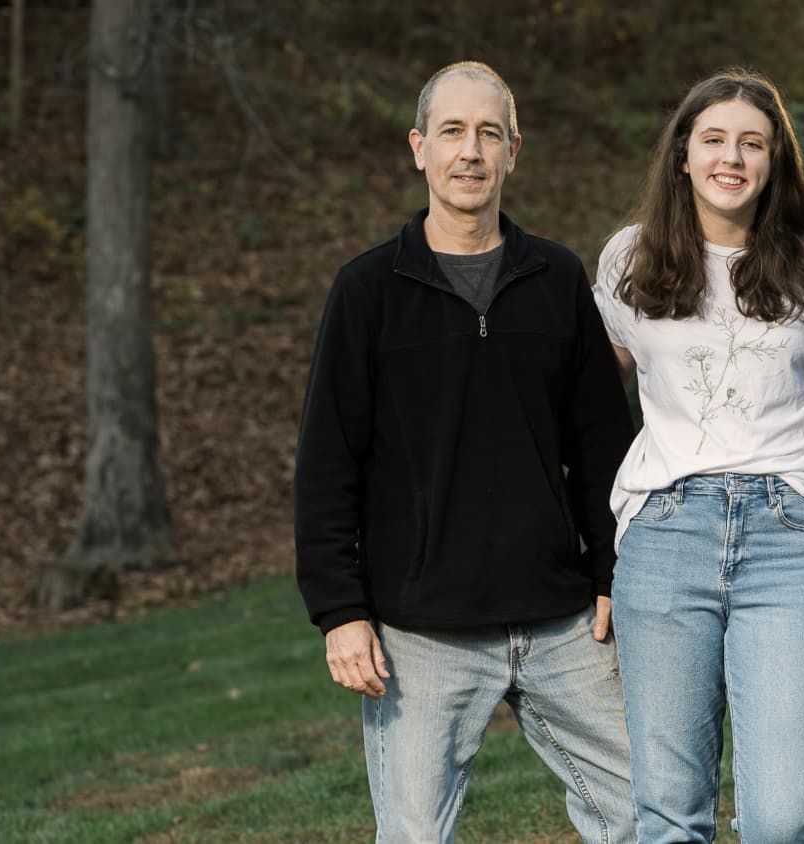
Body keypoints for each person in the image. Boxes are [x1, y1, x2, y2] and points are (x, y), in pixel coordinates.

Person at [293, 61, 637, 844]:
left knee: (651, 811)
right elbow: (326, 463)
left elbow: (601, 444)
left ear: (515, 150)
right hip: (421, 633)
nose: (470, 151)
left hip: (559, 622)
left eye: (489, 133)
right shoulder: (368, 290)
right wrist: (341, 610)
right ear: (419, 148)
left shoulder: (556, 279)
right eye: (452, 131)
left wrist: (613, 573)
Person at [591, 70, 804, 844]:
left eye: (752, 143)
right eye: (714, 140)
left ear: (774, 162)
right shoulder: (629, 259)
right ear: (682, 155)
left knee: (781, 817)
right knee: (670, 813)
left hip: (792, 538)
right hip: (665, 534)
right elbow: (595, 408)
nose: (731, 157)